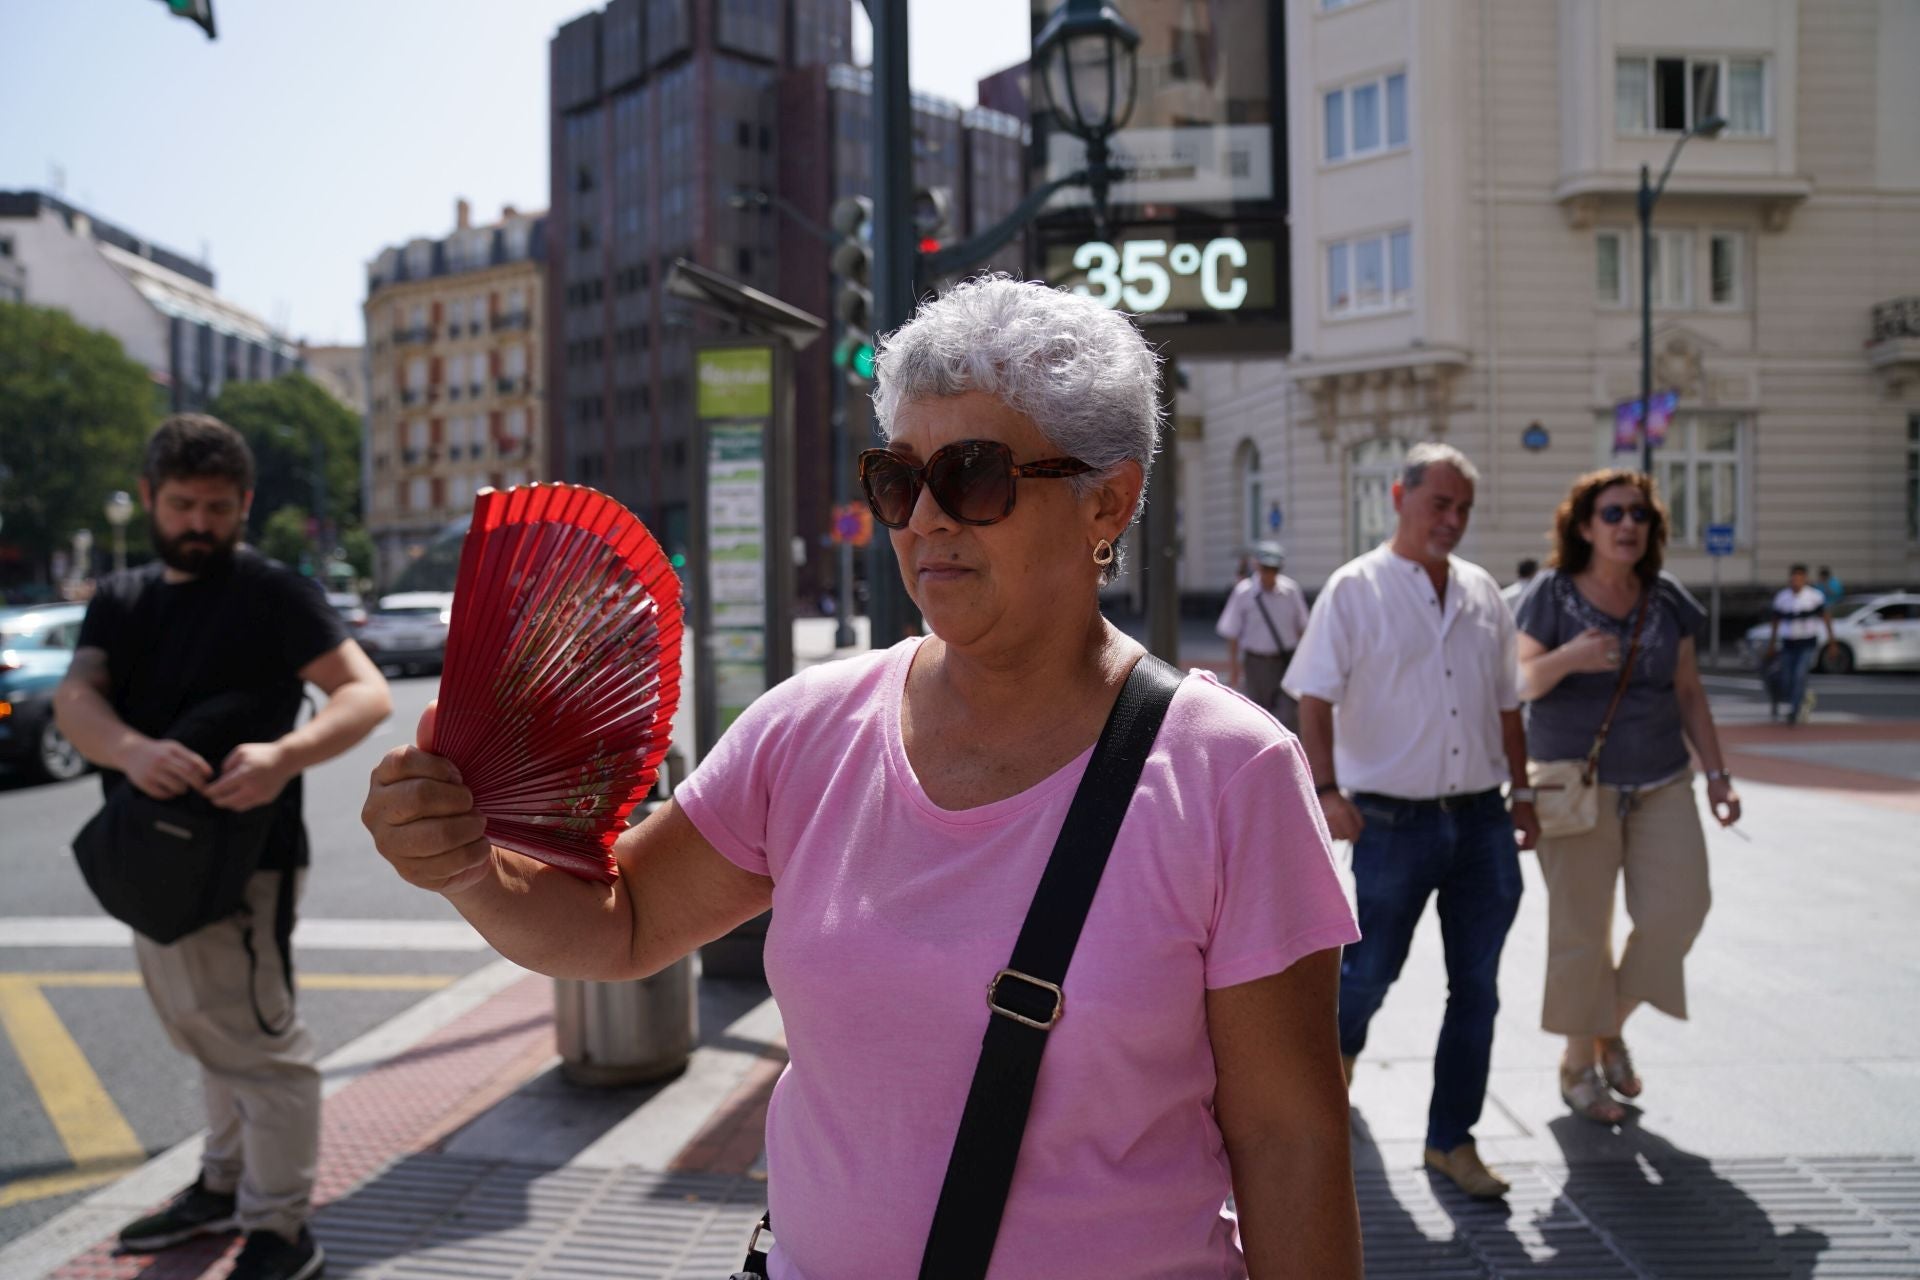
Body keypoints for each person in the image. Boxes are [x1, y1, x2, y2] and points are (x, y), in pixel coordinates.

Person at [361, 277, 1363, 1279]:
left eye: (972, 475)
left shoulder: (1232, 773)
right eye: (897, 478)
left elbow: (1290, 1142)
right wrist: (466, 867)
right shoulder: (808, 729)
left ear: (1108, 498)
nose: (925, 518)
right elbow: (619, 921)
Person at [53, 415, 392, 1280]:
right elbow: (78, 699)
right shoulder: (122, 597)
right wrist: (130, 748)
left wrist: (285, 757)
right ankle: (220, 1183)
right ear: (154, 499)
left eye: (215, 505)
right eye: (180, 504)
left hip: (248, 861)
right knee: (211, 1036)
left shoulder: (272, 592)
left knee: (260, 1048)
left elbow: (364, 693)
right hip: (148, 858)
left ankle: (282, 1232)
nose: (198, 522)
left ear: (243, 504)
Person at [1283, 441, 1538, 1202]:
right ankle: (1334, 1066)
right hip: (1391, 824)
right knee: (1368, 974)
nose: (1452, 520)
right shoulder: (1354, 589)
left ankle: (1450, 1140)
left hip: (1483, 822)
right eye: (1440, 504)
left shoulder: (1483, 591)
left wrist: (1523, 795)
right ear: (1400, 496)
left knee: (1478, 988)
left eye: (1463, 508)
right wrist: (1326, 789)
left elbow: (1506, 705)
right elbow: (1313, 699)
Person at [1514, 469, 1741, 1126]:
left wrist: (1718, 775)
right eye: (1612, 514)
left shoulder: (1667, 599)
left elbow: (1690, 692)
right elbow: (1520, 680)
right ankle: (1578, 1065)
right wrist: (1571, 658)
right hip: (1574, 784)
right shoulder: (1551, 594)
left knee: (1680, 910)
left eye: (1639, 515)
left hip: (1663, 777)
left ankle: (1604, 1025)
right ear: (1584, 526)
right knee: (1582, 932)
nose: (1628, 526)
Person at [1215, 539, 1310, 730]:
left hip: (1286, 661)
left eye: (1274, 569)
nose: (1269, 574)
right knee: (1257, 716)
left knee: (1289, 715)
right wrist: (1234, 668)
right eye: (1266, 569)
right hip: (1255, 663)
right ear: (1257, 566)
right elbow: (1232, 633)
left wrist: (1305, 664)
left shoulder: (1290, 591)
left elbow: (1303, 628)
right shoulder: (1244, 592)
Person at [1765, 564, 1838, 724]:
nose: (1795, 581)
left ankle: (1794, 710)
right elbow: (1775, 621)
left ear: (1804, 579)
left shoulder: (1814, 597)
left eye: (1799, 578)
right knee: (1786, 677)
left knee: (1799, 675)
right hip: (1788, 643)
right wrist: (1771, 644)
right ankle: (1803, 698)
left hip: (1807, 643)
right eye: (1793, 578)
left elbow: (1826, 618)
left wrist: (1832, 642)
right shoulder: (1782, 597)